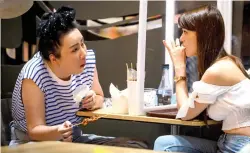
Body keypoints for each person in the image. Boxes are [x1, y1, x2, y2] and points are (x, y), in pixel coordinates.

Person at [9, 6, 147, 149]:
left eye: (82, 44)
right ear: (54, 58)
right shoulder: (34, 74)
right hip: (32, 144)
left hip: (73, 139)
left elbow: (100, 96)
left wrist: (93, 101)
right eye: (75, 49)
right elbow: (35, 131)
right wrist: (58, 132)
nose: (83, 53)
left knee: (134, 147)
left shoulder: (86, 61)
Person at [153, 5, 250, 153]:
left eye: (185, 32)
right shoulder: (228, 62)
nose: (181, 39)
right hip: (231, 142)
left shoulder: (217, 71)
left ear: (202, 35)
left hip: (239, 146)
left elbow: (184, 113)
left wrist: (179, 67)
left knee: (165, 144)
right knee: (165, 143)